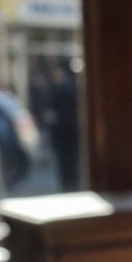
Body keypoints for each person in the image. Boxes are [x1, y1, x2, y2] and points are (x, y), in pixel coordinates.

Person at [46, 62, 80, 191]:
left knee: (65, 161)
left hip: (63, 131)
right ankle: (72, 182)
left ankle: (69, 183)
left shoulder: (60, 89)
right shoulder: (71, 88)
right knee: (71, 160)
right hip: (70, 130)